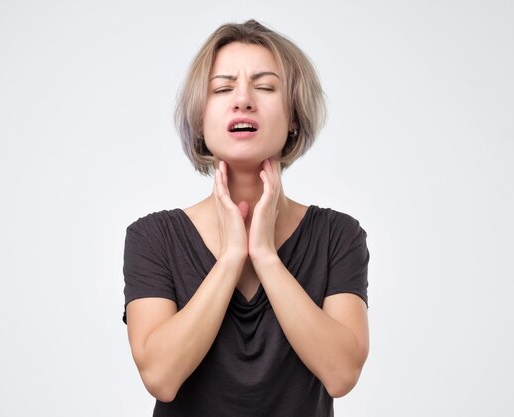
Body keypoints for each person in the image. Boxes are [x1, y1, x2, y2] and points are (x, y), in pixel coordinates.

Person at [122, 19, 370, 417]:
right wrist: (232, 257)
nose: (243, 100)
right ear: (200, 120)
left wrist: (266, 256)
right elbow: (161, 377)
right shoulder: (153, 237)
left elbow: (341, 374)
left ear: (293, 118)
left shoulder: (337, 235)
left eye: (266, 87)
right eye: (222, 88)